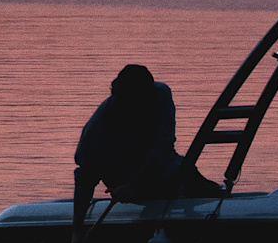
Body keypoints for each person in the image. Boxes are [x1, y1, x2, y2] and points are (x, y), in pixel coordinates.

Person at [71, 61, 218, 218]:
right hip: (122, 171)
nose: (135, 108)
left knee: (194, 178)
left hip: (163, 169)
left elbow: (162, 145)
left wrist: (135, 184)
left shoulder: (160, 95)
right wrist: (77, 232)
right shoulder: (102, 120)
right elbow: (85, 168)